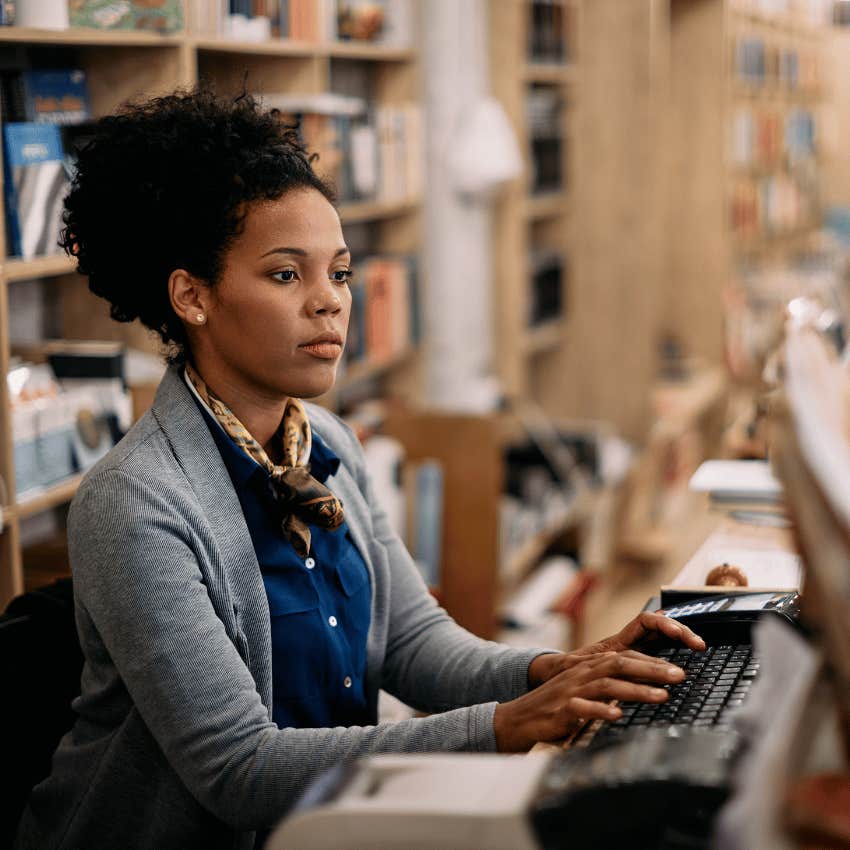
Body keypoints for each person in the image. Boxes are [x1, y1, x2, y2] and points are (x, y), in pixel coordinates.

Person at [14, 89, 703, 850]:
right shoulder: (135, 502)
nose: (330, 304)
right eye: (286, 276)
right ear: (193, 297)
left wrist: (561, 668)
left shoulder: (328, 444)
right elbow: (238, 769)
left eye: (339, 274)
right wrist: (510, 724)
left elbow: (415, 647)